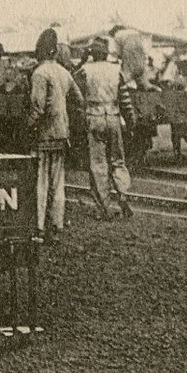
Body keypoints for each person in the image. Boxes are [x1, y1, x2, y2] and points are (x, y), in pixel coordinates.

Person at [29, 28, 82, 239]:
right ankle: (57, 225)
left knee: (40, 182)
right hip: (61, 133)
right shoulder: (64, 72)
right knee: (58, 183)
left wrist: (27, 127)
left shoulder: (39, 73)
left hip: (44, 134)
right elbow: (79, 99)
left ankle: (39, 227)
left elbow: (37, 107)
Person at [76, 36, 133, 219]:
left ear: (92, 53)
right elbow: (125, 99)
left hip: (94, 116)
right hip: (114, 116)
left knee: (98, 163)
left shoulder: (84, 71)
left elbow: (77, 94)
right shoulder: (116, 70)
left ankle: (105, 206)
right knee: (118, 160)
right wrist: (130, 120)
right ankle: (123, 194)